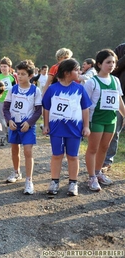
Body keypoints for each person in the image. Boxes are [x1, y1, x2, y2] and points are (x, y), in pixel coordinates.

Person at [42, 58, 91, 196]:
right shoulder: (52, 89)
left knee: (73, 156)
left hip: (74, 129)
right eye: (76, 69)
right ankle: (54, 181)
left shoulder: (80, 88)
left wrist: (86, 126)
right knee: (57, 155)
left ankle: (73, 183)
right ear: (67, 72)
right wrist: (46, 125)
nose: (79, 71)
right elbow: (46, 108)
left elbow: (85, 108)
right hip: (56, 128)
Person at [84, 49, 125, 192]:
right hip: (96, 120)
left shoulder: (115, 80)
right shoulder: (91, 82)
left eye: (113, 62)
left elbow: (119, 100)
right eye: (108, 62)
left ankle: (98, 172)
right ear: (100, 64)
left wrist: (124, 114)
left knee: (104, 148)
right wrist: (85, 124)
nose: (112, 65)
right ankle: (91, 177)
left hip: (111, 120)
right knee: (93, 148)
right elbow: (85, 105)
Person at [3, 60, 42, 194]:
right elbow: (6, 108)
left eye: (23, 74)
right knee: (15, 149)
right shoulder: (13, 89)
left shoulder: (35, 90)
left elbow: (38, 111)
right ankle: (16, 172)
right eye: (18, 74)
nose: (19, 76)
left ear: (30, 76)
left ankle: (29, 180)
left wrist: (29, 123)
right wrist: (9, 121)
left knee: (28, 151)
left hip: (27, 125)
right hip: (14, 124)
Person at [103, 43, 125, 171]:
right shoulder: (120, 48)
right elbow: (113, 68)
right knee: (114, 130)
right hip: (118, 94)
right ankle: (107, 160)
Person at [0, 57, 17, 146]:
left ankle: (9, 133)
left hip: (9, 101)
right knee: (1, 120)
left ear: (9, 68)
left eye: (5, 66)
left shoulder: (12, 78)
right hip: (0, 100)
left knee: (8, 119)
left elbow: (15, 90)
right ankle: (2, 136)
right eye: (1, 66)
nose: (3, 68)